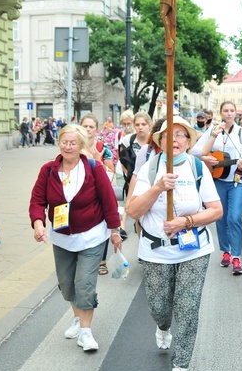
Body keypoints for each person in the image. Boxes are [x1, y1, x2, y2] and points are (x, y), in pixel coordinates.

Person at [127, 116, 222, 371]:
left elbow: (215, 210)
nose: (176, 140)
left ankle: (180, 367)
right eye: (169, 136)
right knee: (160, 307)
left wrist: (186, 222)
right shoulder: (149, 169)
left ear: (189, 142)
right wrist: (158, 187)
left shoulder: (196, 167)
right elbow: (132, 211)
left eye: (181, 135)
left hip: (193, 249)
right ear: (161, 142)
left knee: (188, 307)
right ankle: (163, 327)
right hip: (156, 250)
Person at [29, 124, 122, 352]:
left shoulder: (93, 168)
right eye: (64, 142)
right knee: (67, 285)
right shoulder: (49, 170)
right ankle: (77, 317)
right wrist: (38, 224)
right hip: (62, 238)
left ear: (81, 145)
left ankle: (86, 333)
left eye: (73, 143)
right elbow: (37, 201)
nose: (68, 147)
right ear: (59, 143)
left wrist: (115, 230)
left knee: (85, 284)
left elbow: (109, 201)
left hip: (91, 236)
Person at [190, 101, 242, 275]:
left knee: (234, 218)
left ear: (236, 114)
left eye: (232, 110)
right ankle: (225, 251)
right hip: (217, 180)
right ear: (220, 113)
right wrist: (206, 158)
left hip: (237, 181)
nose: (229, 113)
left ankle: (237, 256)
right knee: (221, 217)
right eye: (226, 110)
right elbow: (195, 151)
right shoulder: (213, 130)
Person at [80, 113, 116, 275]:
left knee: (102, 225)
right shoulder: (73, 145)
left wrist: (96, 159)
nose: (87, 129)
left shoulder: (102, 148)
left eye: (91, 126)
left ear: (97, 129)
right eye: (85, 126)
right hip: (78, 193)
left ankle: (101, 261)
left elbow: (111, 171)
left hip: (99, 193)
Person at [118, 111, 152, 239]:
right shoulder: (128, 140)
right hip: (133, 179)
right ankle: (140, 240)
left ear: (149, 125)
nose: (140, 127)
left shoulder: (153, 141)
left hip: (150, 182)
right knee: (137, 214)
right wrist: (128, 176)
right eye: (137, 124)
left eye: (143, 124)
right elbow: (122, 159)